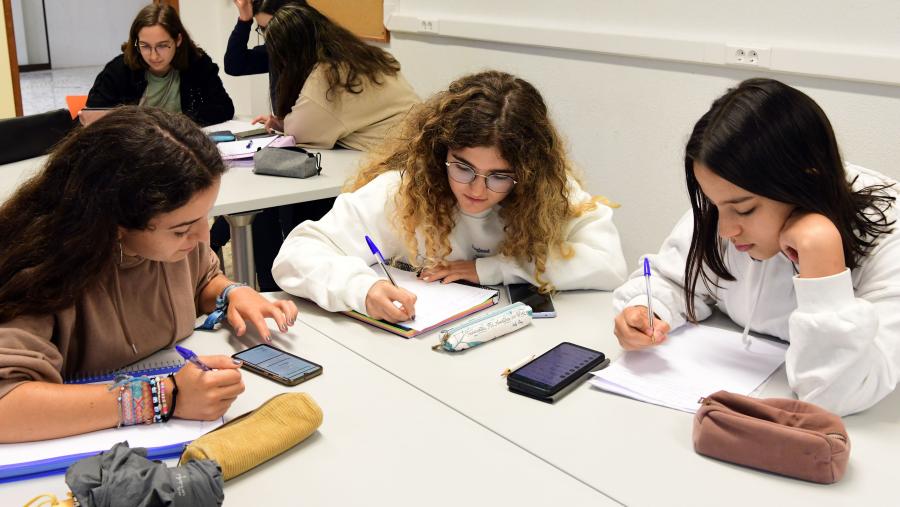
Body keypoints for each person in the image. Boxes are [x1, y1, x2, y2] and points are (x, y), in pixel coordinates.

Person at [0, 107, 298, 443]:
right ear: (114, 224)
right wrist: (163, 397)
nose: (203, 237)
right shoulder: (40, 270)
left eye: (206, 217)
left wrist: (229, 293)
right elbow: (6, 404)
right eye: (181, 229)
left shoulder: (173, 246)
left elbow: (201, 280)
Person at [612, 78, 899, 416]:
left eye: (745, 210)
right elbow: (674, 279)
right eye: (715, 205)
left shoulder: (888, 236)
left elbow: (837, 394)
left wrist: (821, 256)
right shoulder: (731, 204)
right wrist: (649, 309)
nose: (725, 230)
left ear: (806, 180)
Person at [273, 71, 627, 323]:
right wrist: (361, 288)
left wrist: (491, 269)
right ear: (440, 152)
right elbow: (297, 253)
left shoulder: (548, 194)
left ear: (528, 172)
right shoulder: (405, 191)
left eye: (499, 176)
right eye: (463, 168)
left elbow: (608, 263)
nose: (476, 189)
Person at [256, 4, 420, 149]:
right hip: (420, 138)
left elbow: (297, 132)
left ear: (290, 56)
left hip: (403, 154)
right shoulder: (361, 55)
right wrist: (284, 122)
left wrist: (284, 124)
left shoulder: (327, 77)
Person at [86, 3, 234, 127]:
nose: (154, 56)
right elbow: (91, 117)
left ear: (178, 40)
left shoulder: (198, 63)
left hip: (181, 141)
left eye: (162, 46)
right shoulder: (119, 69)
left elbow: (224, 108)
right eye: (145, 46)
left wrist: (178, 125)